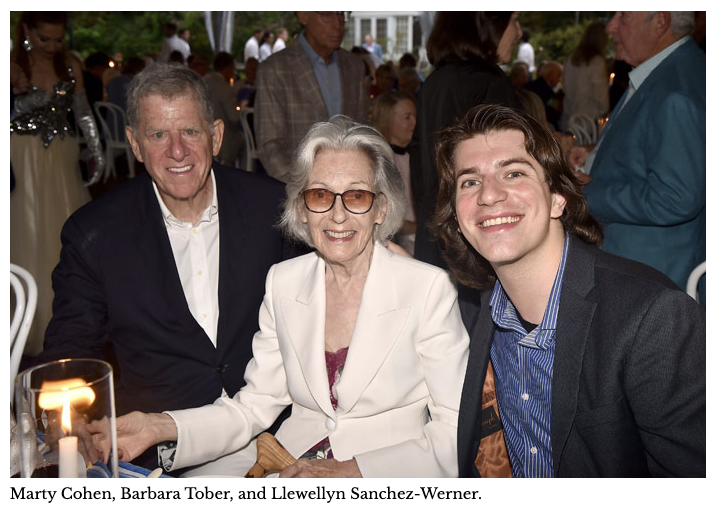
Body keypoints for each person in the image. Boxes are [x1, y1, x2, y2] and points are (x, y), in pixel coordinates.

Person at [97, 116, 469, 478]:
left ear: (381, 208)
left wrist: (354, 472)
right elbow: (255, 405)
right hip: (290, 462)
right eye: (320, 195)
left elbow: (456, 428)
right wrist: (160, 426)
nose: (337, 215)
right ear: (302, 209)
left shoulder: (428, 290)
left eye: (356, 196)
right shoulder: (284, 282)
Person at [39, 62, 301, 471]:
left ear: (215, 137)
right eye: (158, 134)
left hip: (276, 432)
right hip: (158, 452)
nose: (176, 151)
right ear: (135, 143)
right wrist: (68, 419)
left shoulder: (274, 208)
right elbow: (72, 348)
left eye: (190, 132)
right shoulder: (95, 233)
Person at [431, 104, 706, 477]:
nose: (489, 195)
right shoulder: (472, 311)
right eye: (470, 181)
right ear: (459, 216)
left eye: (513, 173)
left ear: (559, 197)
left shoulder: (652, 318)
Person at [571, 12, 706, 303]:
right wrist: (595, 153)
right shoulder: (671, 71)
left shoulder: (675, 90)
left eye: (623, 15)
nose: (611, 26)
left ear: (659, 21)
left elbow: (675, 197)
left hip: (651, 277)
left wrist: (588, 189)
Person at [10, 11, 103, 356]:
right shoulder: (10, 63)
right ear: (26, 30)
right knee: (28, 233)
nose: (51, 46)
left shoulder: (71, 66)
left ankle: (70, 324)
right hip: (23, 157)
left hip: (61, 158)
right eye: (43, 38)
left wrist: (95, 147)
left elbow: (81, 112)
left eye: (57, 39)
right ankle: (26, 323)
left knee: (65, 232)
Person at [410, 11, 522, 271]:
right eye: (514, 20)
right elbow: (507, 171)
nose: (518, 33)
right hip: (477, 243)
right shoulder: (490, 83)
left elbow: (418, 166)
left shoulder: (434, 82)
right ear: (486, 23)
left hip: (436, 236)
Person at [254, 11, 368, 184]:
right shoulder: (275, 69)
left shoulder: (354, 66)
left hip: (350, 187)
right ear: (304, 15)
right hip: (298, 191)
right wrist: (307, 189)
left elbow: (363, 129)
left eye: (342, 14)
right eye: (327, 15)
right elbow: (270, 145)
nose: (338, 24)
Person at [371, 91, 418, 255]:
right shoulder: (379, 163)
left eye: (415, 116)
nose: (414, 122)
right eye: (407, 117)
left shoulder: (416, 156)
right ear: (388, 120)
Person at [560, 21, 610, 131]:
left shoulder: (571, 58)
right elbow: (600, 94)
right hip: (588, 121)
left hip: (569, 117)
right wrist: (605, 111)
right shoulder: (597, 61)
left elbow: (565, 86)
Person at [204, 52, 245, 166]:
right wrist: (239, 108)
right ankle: (245, 172)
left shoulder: (202, 82)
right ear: (228, 67)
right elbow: (234, 118)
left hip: (204, 135)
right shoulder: (225, 88)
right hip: (224, 140)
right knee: (247, 142)